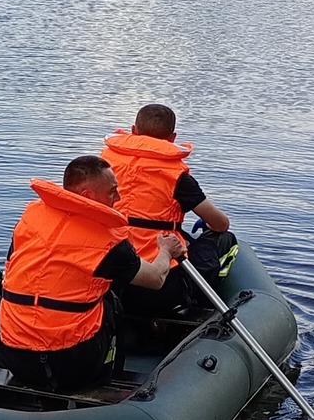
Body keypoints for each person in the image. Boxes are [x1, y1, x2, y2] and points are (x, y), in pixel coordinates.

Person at [0, 155, 183, 391]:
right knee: (110, 299)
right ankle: (111, 377)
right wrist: (166, 251)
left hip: (14, 356)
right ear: (87, 196)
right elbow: (156, 279)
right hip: (70, 363)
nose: (119, 198)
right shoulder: (108, 241)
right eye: (112, 192)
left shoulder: (31, 219)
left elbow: (12, 265)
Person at [100, 104, 235, 316]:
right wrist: (210, 226)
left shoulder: (103, 166)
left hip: (110, 266)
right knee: (225, 238)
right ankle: (197, 300)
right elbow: (221, 223)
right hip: (158, 277)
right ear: (172, 138)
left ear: (133, 130)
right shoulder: (177, 176)